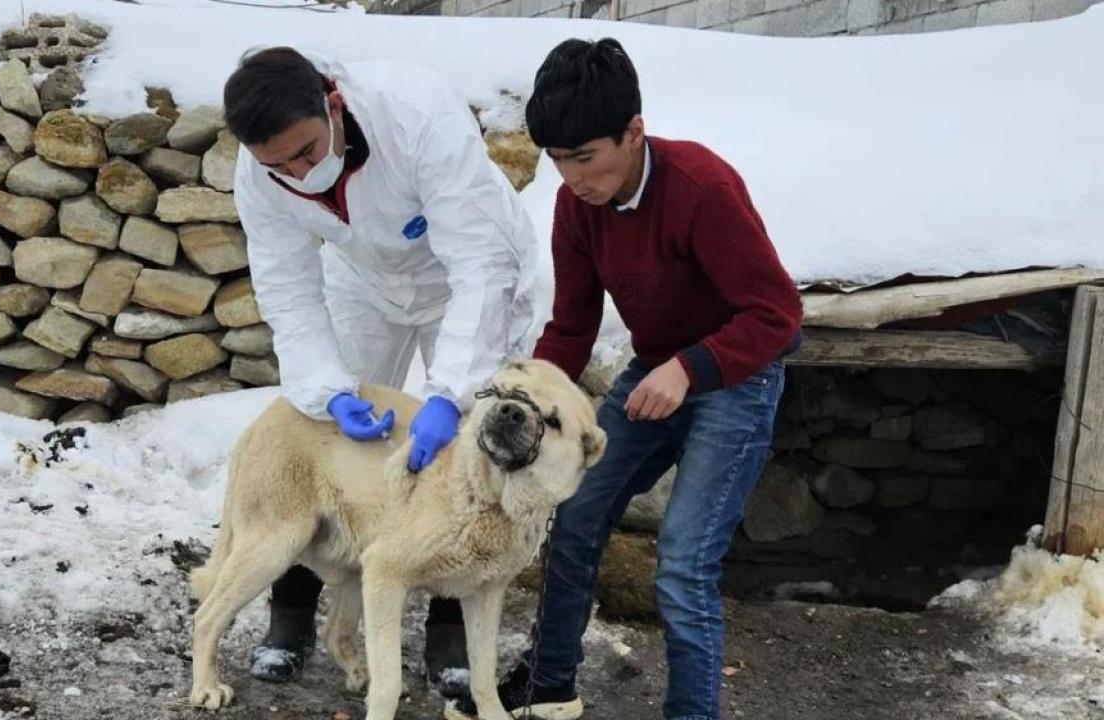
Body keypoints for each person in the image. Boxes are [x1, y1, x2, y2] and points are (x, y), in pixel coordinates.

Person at [446, 38, 803, 720]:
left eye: (585, 157)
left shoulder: (702, 188)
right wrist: (524, 393)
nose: (573, 176)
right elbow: (573, 328)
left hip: (737, 374)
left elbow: (779, 315)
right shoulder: (576, 208)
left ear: (633, 132)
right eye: (556, 159)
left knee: (682, 562)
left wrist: (690, 368)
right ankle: (550, 683)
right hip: (657, 370)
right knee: (574, 511)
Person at [224, 46, 538, 699]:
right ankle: (290, 616)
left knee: (471, 448)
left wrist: (452, 396)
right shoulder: (259, 174)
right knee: (322, 441)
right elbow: (287, 290)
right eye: (277, 165)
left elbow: (478, 266)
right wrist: (326, 390)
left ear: (332, 104)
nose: (297, 174)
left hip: (468, 275)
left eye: (307, 153)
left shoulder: (415, 111)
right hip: (366, 281)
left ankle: (448, 628)